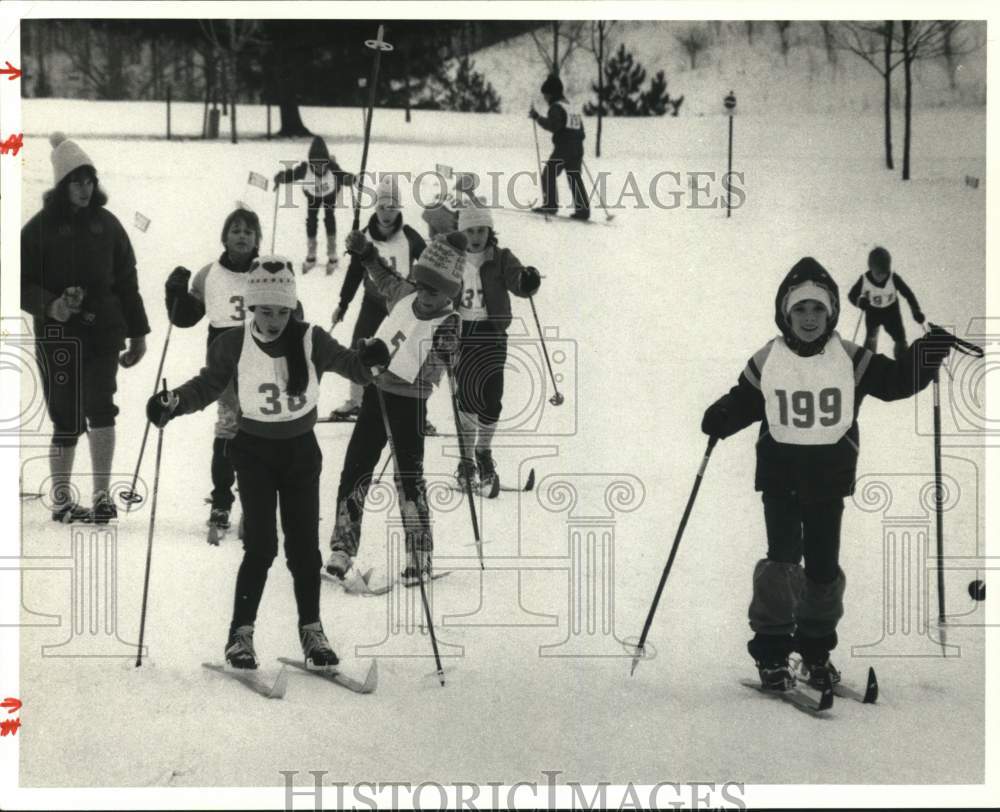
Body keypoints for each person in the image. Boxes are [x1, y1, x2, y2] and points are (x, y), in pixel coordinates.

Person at [700, 257, 958, 692]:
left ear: (832, 312)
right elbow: (746, 399)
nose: (808, 319)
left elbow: (894, 382)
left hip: (828, 481)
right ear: (785, 312)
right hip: (780, 478)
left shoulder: (850, 358)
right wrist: (723, 414)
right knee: (782, 561)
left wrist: (927, 352)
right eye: (799, 309)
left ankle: (816, 651)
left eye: (818, 310)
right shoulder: (770, 358)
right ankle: (772, 653)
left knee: (822, 568)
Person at [145, 256, 387, 670]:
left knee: (304, 551)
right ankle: (241, 634)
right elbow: (208, 384)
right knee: (260, 547)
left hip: (300, 453)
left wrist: (369, 358)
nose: (274, 319)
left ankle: (312, 631)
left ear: (293, 308)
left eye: (281, 310)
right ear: (251, 307)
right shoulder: (232, 343)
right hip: (253, 451)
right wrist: (174, 403)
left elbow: (354, 368)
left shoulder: (312, 339)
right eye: (265, 310)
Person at [20, 132, 150, 524]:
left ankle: (102, 496)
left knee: (101, 408)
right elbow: (16, 280)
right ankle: (62, 501)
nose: (85, 188)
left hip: (105, 332)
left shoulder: (108, 225)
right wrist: (52, 305)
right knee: (66, 416)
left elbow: (127, 281)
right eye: (77, 181)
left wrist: (139, 332)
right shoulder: (38, 229)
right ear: (61, 185)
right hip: (58, 336)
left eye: (90, 180)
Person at [325, 231, 464, 588]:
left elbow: (437, 366)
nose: (426, 296)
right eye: (423, 286)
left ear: (450, 292)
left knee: (409, 480)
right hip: (376, 394)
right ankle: (342, 547)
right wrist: (367, 253)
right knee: (355, 468)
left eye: (436, 291)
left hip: (410, 403)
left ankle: (419, 553)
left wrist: (446, 351)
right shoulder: (407, 294)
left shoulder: (449, 321)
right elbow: (384, 278)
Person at [162, 207, 262, 538]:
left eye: (248, 231)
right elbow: (186, 317)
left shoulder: (268, 269)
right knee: (229, 427)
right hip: (224, 361)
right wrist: (174, 293)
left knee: (260, 431)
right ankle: (222, 500)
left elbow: (292, 312)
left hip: (262, 357)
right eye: (235, 230)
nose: (242, 236)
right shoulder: (209, 274)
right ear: (224, 237)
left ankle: (255, 503)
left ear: (257, 238)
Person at [452, 200, 541, 495]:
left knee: (492, 396)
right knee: (467, 397)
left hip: (492, 332)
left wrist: (527, 279)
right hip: (462, 334)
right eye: (470, 230)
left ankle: (483, 452)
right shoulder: (451, 257)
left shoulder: (501, 257)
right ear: (461, 231)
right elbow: (433, 284)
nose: (476, 236)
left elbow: (518, 282)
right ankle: (465, 461)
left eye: (481, 230)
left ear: (490, 230)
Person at [329, 174, 427, 420]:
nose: (387, 213)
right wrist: (343, 303)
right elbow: (354, 272)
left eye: (392, 207)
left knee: (404, 352)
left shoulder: (410, 236)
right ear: (376, 207)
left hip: (401, 303)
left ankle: (414, 407)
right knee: (359, 345)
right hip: (372, 301)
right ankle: (356, 400)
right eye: (382, 207)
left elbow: (428, 263)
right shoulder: (365, 235)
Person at [273, 136, 354, 274]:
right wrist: (282, 177)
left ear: (327, 162)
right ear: (310, 162)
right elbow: (293, 174)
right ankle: (311, 254)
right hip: (313, 196)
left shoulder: (332, 167)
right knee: (311, 220)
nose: (319, 167)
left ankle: (332, 254)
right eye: (315, 164)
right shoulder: (306, 169)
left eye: (322, 164)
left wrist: (350, 179)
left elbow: (342, 176)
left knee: (329, 219)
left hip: (329, 194)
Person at [529, 74, 590, 221]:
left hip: (564, 148)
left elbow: (553, 125)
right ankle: (583, 211)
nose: (545, 98)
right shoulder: (570, 106)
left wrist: (537, 117)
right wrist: (576, 143)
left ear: (551, 94)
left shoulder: (556, 107)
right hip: (577, 147)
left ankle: (550, 205)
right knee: (574, 176)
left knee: (548, 174)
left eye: (545, 95)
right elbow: (581, 130)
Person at [847, 246, 925, 360]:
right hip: (873, 311)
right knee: (871, 337)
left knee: (900, 338)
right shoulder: (864, 279)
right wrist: (860, 302)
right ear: (871, 269)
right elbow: (852, 295)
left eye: (884, 273)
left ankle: (902, 364)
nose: (881, 278)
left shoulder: (893, 278)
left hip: (891, 311)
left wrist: (916, 311)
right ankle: (868, 363)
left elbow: (908, 294)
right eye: (878, 274)